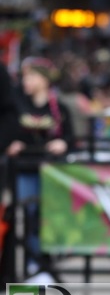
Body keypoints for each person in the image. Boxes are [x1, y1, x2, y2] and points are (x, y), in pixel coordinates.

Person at [6, 57, 75, 277]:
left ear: (45, 80)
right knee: (28, 215)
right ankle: (33, 264)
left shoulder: (59, 108)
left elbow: (71, 137)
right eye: (25, 76)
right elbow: (9, 131)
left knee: (49, 217)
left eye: (32, 76)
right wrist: (11, 143)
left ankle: (45, 265)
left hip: (52, 172)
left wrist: (63, 143)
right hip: (24, 171)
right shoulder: (16, 104)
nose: (26, 81)